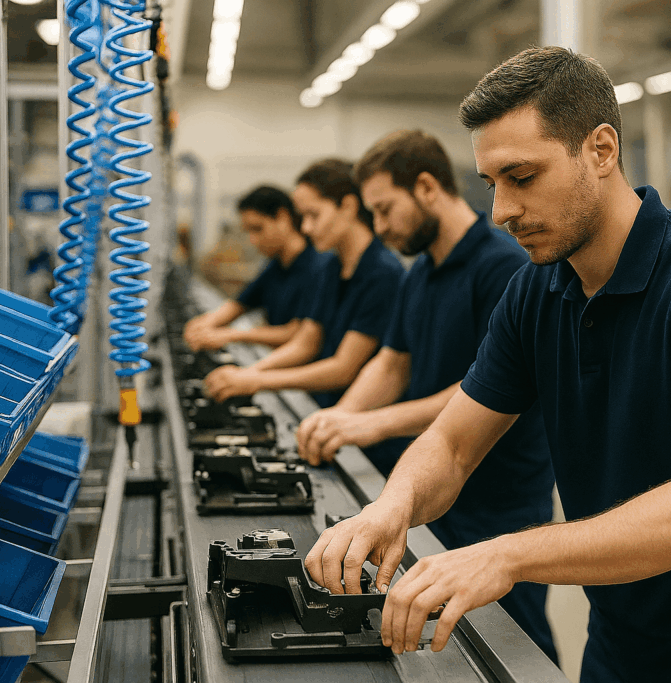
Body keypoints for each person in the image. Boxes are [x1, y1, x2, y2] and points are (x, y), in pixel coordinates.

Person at [303, 47, 671, 683]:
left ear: (601, 150)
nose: (499, 211)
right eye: (491, 183)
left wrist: (508, 555)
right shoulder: (536, 291)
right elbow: (451, 444)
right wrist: (393, 504)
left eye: (521, 178)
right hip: (619, 644)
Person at [294, 131, 558, 662]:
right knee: (447, 640)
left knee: (512, 642)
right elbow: (392, 362)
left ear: (427, 188)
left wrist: (371, 425)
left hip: (497, 497)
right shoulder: (421, 274)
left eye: (386, 210)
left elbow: (478, 390)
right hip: (438, 482)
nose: (381, 227)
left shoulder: (504, 266)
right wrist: (341, 417)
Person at [204, 160, 403, 406]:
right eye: (303, 217)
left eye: (313, 215)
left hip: (361, 420)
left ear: (348, 207)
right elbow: (307, 342)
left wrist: (257, 380)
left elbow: (343, 368)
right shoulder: (332, 266)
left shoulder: (383, 273)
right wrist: (249, 373)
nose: (306, 228)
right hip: (322, 406)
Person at [184, 185, 333, 352]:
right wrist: (205, 324)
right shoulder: (276, 266)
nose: (253, 240)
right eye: (248, 231)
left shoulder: (319, 267)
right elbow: (241, 304)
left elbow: (297, 333)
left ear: (282, 218)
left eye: (258, 229)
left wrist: (231, 335)